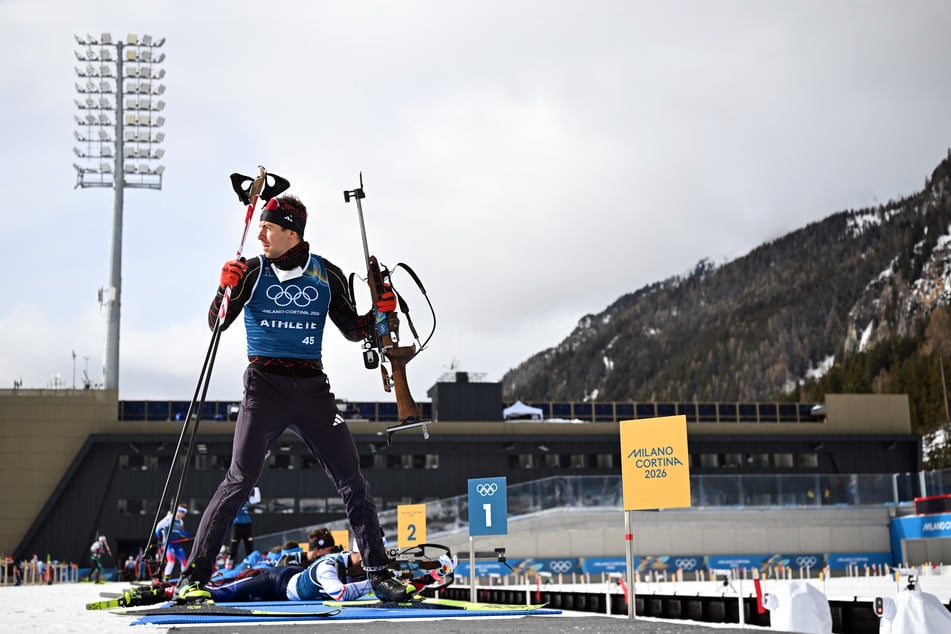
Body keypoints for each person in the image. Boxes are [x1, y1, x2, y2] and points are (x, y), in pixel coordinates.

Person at [174, 193, 405, 603]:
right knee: (240, 478)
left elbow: (355, 330)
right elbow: (217, 323)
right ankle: (194, 576)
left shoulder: (327, 275)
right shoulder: (251, 271)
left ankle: (378, 572)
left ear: (291, 233)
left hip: (313, 388)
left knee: (352, 479)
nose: (260, 235)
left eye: (268, 228)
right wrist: (223, 289)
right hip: (264, 386)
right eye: (260, 227)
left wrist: (382, 313)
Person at [156, 505, 192, 578]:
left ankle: (184, 577)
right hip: (168, 544)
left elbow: (182, 533)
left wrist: (192, 535)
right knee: (171, 560)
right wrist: (160, 538)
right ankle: (166, 577)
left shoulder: (180, 521)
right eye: (183, 513)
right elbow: (158, 527)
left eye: (185, 513)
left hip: (176, 544)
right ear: (179, 511)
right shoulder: (169, 518)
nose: (184, 515)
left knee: (184, 561)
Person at [229, 486, 261, 564]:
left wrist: (256, 488)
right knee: (232, 549)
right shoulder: (231, 499)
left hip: (247, 525)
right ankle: (228, 568)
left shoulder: (245, 498)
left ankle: (250, 566)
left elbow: (257, 499)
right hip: (236, 526)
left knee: (249, 548)